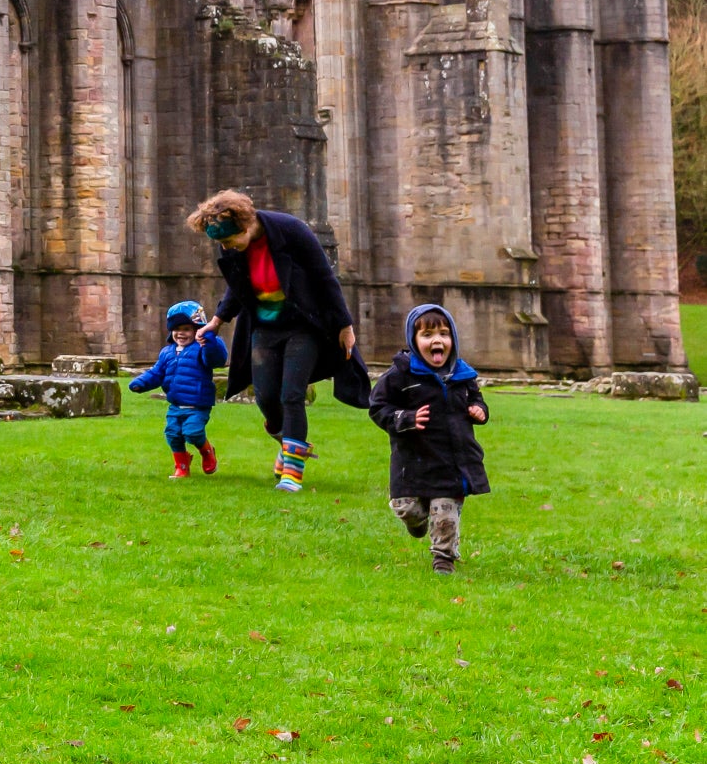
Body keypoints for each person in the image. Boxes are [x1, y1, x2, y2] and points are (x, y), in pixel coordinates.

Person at [190, 190, 369, 492]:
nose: (225, 247)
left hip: (303, 324)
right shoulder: (232, 248)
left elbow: (325, 278)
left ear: (245, 226)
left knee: (291, 394)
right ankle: (288, 444)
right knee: (266, 396)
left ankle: (292, 474)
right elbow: (237, 287)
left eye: (229, 240)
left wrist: (345, 326)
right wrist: (217, 321)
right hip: (264, 326)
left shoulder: (291, 231)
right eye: (221, 243)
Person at [368, 303, 491, 575]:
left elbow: (476, 399)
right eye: (427, 335)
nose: (437, 340)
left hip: (451, 459)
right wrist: (405, 418)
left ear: (453, 340)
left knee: (445, 513)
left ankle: (443, 559)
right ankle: (418, 523)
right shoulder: (400, 375)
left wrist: (479, 411)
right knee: (406, 508)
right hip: (412, 460)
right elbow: (378, 407)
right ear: (413, 341)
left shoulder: (463, 375)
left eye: (444, 334)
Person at [128, 301, 228, 478]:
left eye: (186, 329)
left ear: (197, 330)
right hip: (175, 405)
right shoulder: (167, 352)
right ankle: (182, 466)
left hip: (197, 405)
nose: (181, 333)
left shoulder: (201, 349)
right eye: (176, 329)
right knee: (173, 435)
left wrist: (210, 339)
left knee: (193, 432)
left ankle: (207, 452)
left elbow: (216, 359)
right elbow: (156, 373)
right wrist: (141, 383)